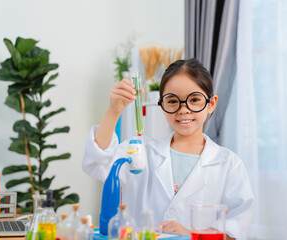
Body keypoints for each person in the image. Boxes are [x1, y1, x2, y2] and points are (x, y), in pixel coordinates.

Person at [82, 58, 253, 240]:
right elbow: (97, 163)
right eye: (172, 101)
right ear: (162, 105)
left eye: (194, 100)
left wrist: (192, 235)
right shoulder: (140, 151)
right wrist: (113, 111)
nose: (183, 109)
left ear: (211, 104)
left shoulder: (228, 164)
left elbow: (236, 228)